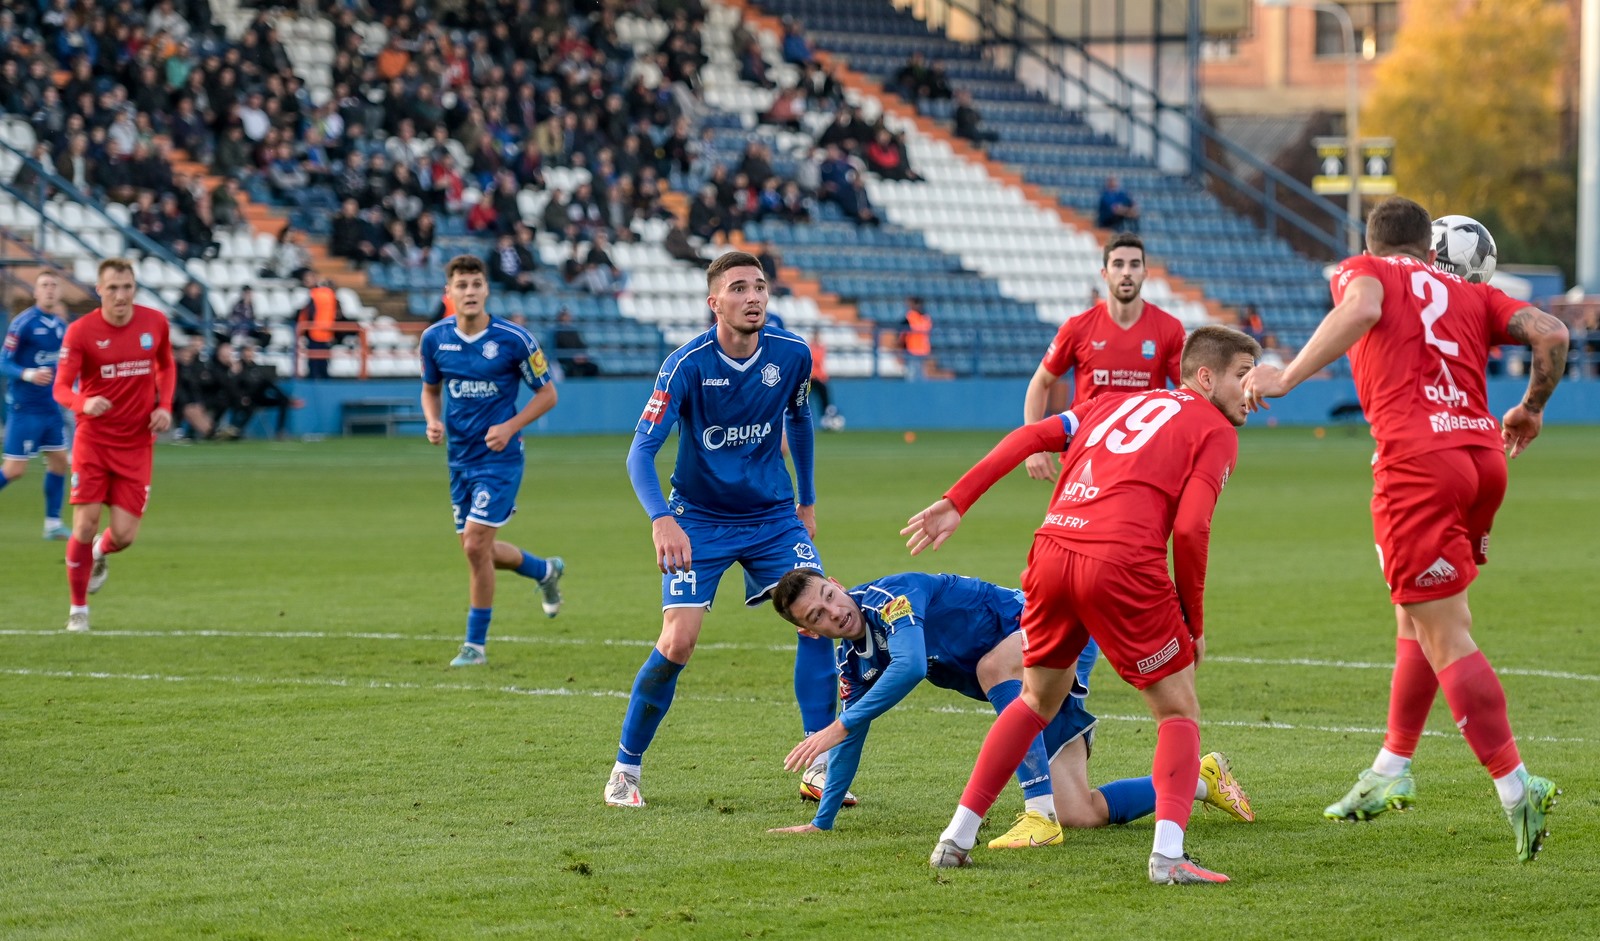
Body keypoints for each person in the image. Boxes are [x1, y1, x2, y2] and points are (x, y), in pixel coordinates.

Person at [1241, 196, 1570, 862]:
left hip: (1419, 465)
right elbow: (1555, 335)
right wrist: (1530, 408)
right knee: (1415, 616)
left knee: (1444, 630)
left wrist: (1286, 376)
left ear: (1374, 242)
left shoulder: (1367, 271)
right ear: (1431, 247)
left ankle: (1516, 787)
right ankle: (1392, 767)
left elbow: (1361, 306)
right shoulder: (1471, 294)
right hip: (1481, 460)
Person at [904, 325, 1261, 883]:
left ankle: (957, 835)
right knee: (1178, 711)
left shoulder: (1108, 404)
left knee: (1034, 699)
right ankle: (1168, 858)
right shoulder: (1214, 428)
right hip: (1121, 564)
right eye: (1243, 375)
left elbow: (1027, 439)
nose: (1251, 388)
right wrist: (1193, 621)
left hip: (1051, 554)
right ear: (1206, 376)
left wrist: (957, 500)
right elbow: (1191, 530)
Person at [765, 569, 1255, 844]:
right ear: (810, 631)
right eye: (819, 615)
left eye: (830, 595)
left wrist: (839, 723)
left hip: (1054, 628)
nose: (836, 610)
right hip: (1029, 683)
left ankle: (1036, 813)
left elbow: (912, 665)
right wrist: (822, 820)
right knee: (1082, 812)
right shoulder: (854, 662)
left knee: (991, 669)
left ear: (834, 581)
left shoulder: (892, 597)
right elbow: (852, 740)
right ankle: (1199, 778)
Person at [607, 251, 834, 809]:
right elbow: (641, 450)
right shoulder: (686, 365)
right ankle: (625, 772)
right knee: (678, 641)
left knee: (819, 618)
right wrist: (662, 518)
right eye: (739, 289)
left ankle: (821, 766)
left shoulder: (792, 355)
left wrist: (806, 501)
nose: (753, 297)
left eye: (760, 287)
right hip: (698, 521)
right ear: (715, 303)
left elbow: (800, 421)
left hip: (773, 518)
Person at [419, 255, 566, 667]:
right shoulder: (434, 339)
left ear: (487, 290)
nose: (469, 292)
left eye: (476, 284)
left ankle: (475, 646)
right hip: (459, 460)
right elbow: (431, 390)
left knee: (474, 545)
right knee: (476, 549)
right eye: (461, 285)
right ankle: (544, 570)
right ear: (448, 293)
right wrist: (433, 421)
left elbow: (547, 394)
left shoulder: (514, 339)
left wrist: (510, 426)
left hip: (500, 459)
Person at [51, 258, 175, 633]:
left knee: (123, 535)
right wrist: (82, 403)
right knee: (85, 523)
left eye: (127, 287)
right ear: (98, 290)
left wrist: (165, 406)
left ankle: (100, 554)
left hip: (137, 443)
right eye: (113, 288)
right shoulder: (80, 332)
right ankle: (78, 610)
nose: (121, 296)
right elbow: (60, 387)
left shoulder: (155, 323)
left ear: (134, 288)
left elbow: (166, 366)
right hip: (93, 441)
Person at [1022, 234, 1185, 482]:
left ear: (1145, 272)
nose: (1126, 272)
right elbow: (1040, 382)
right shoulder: (1078, 327)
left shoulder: (1169, 329)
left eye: (1134, 264)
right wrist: (1033, 444)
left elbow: (1189, 392)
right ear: (1105, 273)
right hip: (1085, 456)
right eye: (1118, 264)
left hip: (1144, 458)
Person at [1, 270, 71, 539]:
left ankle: (53, 524)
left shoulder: (61, 326)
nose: (50, 290)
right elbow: (3, 362)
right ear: (35, 292)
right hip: (25, 408)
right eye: (44, 285)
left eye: (54, 285)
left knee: (59, 461)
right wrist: (28, 374)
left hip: (50, 408)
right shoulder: (24, 323)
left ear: (60, 291)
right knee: (14, 470)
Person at [295, 280, 345, 380]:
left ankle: (314, 378)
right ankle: (323, 378)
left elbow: (308, 312)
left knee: (314, 357)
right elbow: (338, 315)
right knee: (323, 357)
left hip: (313, 330)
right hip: (327, 331)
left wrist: (303, 329)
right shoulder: (332, 298)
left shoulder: (315, 295)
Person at [553, 308, 599, 378]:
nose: (567, 318)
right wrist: (573, 357)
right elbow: (560, 347)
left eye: (568, 316)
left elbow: (581, 345)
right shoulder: (556, 332)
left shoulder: (574, 331)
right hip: (566, 359)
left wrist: (582, 355)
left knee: (593, 367)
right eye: (565, 316)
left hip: (578, 358)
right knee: (572, 368)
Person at [900, 296, 931, 381]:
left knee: (921, 376)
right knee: (912, 376)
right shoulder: (909, 317)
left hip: (922, 351)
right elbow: (902, 335)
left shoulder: (925, 318)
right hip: (912, 351)